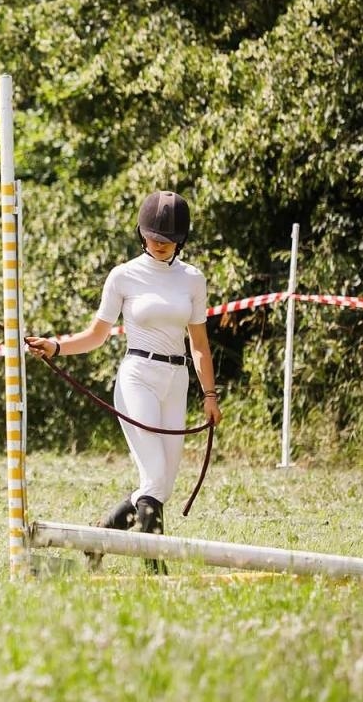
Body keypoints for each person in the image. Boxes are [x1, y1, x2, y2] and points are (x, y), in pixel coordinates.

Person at [24, 191, 222, 570]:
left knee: (161, 486)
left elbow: (199, 344)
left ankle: (100, 536)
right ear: (141, 234)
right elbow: (97, 335)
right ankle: (154, 569)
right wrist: (56, 347)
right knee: (154, 478)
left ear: (182, 239)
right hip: (138, 377)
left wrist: (209, 395)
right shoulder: (123, 276)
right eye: (154, 236)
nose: (160, 243)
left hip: (176, 380)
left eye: (169, 239)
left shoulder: (192, 280)